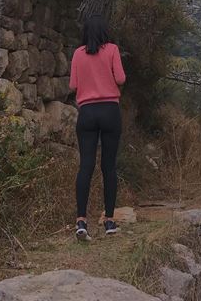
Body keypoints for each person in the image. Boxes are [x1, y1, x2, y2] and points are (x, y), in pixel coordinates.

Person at [69, 14, 126, 240]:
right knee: (108, 167)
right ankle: (109, 221)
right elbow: (120, 79)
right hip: (110, 110)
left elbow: (73, 84)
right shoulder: (112, 49)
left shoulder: (77, 53)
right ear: (104, 32)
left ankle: (81, 221)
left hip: (87, 113)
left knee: (86, 166)